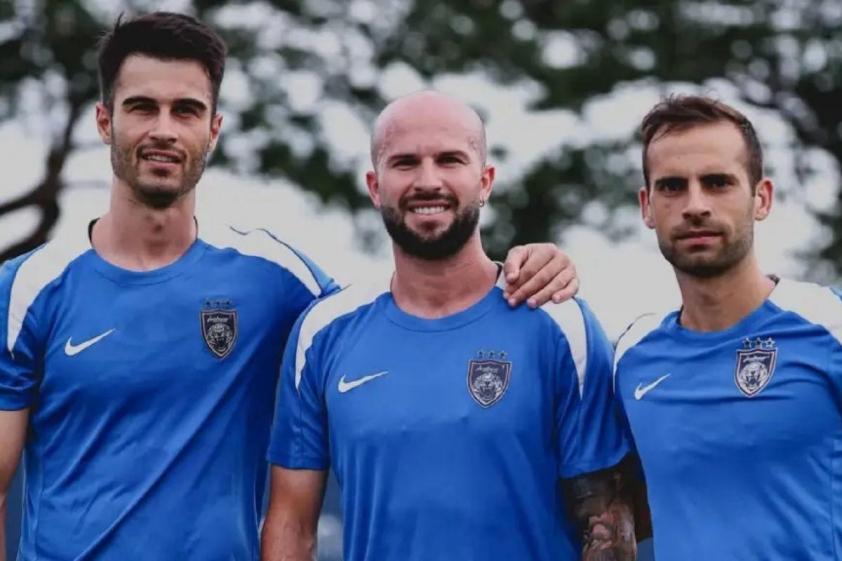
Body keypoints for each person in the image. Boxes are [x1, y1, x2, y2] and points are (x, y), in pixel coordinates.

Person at [0, 13, 581, 560]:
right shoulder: (25, 289)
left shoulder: (275, 279)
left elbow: (406, 315)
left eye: (186, 111)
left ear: (214, 129)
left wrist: (538, 264)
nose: (164, 130)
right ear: (106, 121)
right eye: (142, 108)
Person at [261, 91, 636, 561]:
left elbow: (606, 525)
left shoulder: (559, 322)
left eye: (449, 160)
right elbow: (292, 526)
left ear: (485, 181)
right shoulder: (323, 333)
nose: (428, 181)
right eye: (405, 163)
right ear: (375, 186)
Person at [614, 94, 842, 560]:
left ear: (762, 198)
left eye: (717, 183)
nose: (695, 205)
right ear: (647, 207)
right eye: (672, 187)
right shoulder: (629, 357)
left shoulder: (829, 324)